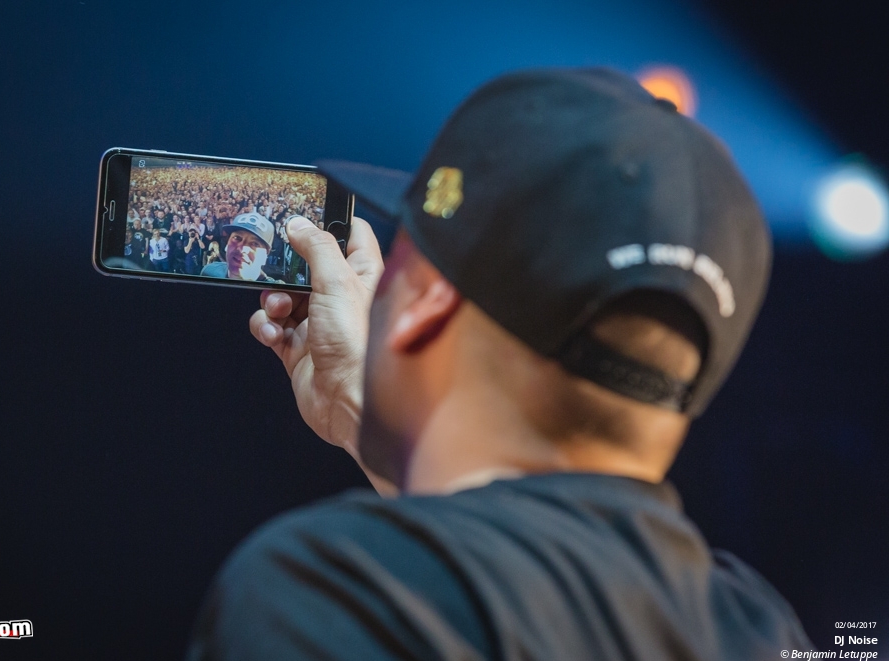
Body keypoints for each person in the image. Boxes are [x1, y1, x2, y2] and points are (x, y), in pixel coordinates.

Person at [188, 69, 814, 660]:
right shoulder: (761, 626)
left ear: (426, 300)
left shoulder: (334, 594)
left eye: (403, 259)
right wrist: (369, 415)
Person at [201, 212, 276, 282]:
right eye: (237, 238)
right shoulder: (209, 273)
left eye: (255, 244)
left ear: (265, 255)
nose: (241, 249)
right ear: (227, 244)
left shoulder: (273, 289)